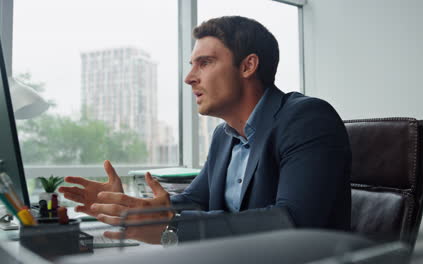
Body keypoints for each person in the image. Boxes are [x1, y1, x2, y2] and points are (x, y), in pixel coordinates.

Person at [59, 16, 351, 245]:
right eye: (191, 65)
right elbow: (196, 198)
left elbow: (292, 221)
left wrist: (170, 227)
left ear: (248, 65)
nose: (189, 78)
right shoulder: (224, 135)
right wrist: (135, 207)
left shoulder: (306, 118)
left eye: (205, 63)